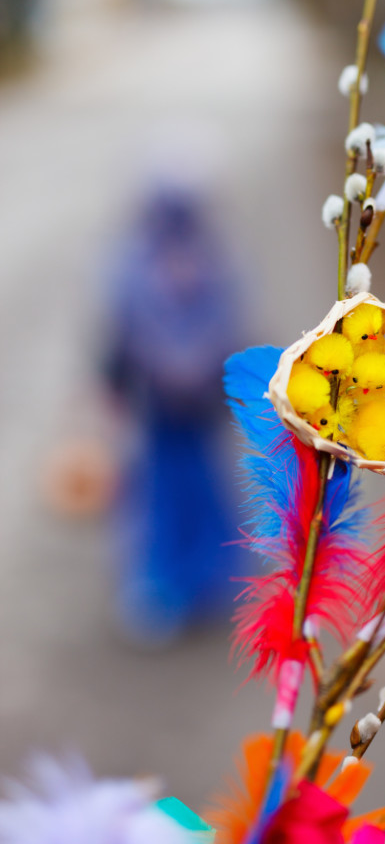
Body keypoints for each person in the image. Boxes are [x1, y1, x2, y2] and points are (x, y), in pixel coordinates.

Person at [103, 170, 245, 645]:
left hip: (196, 407)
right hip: (160, 411)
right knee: (160, 490)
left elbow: (229, 325)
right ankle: (164, 585)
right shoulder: (136, 264)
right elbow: (121, 331)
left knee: (198, 485)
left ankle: (205, 578)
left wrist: (206, 373)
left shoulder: (213, 262)